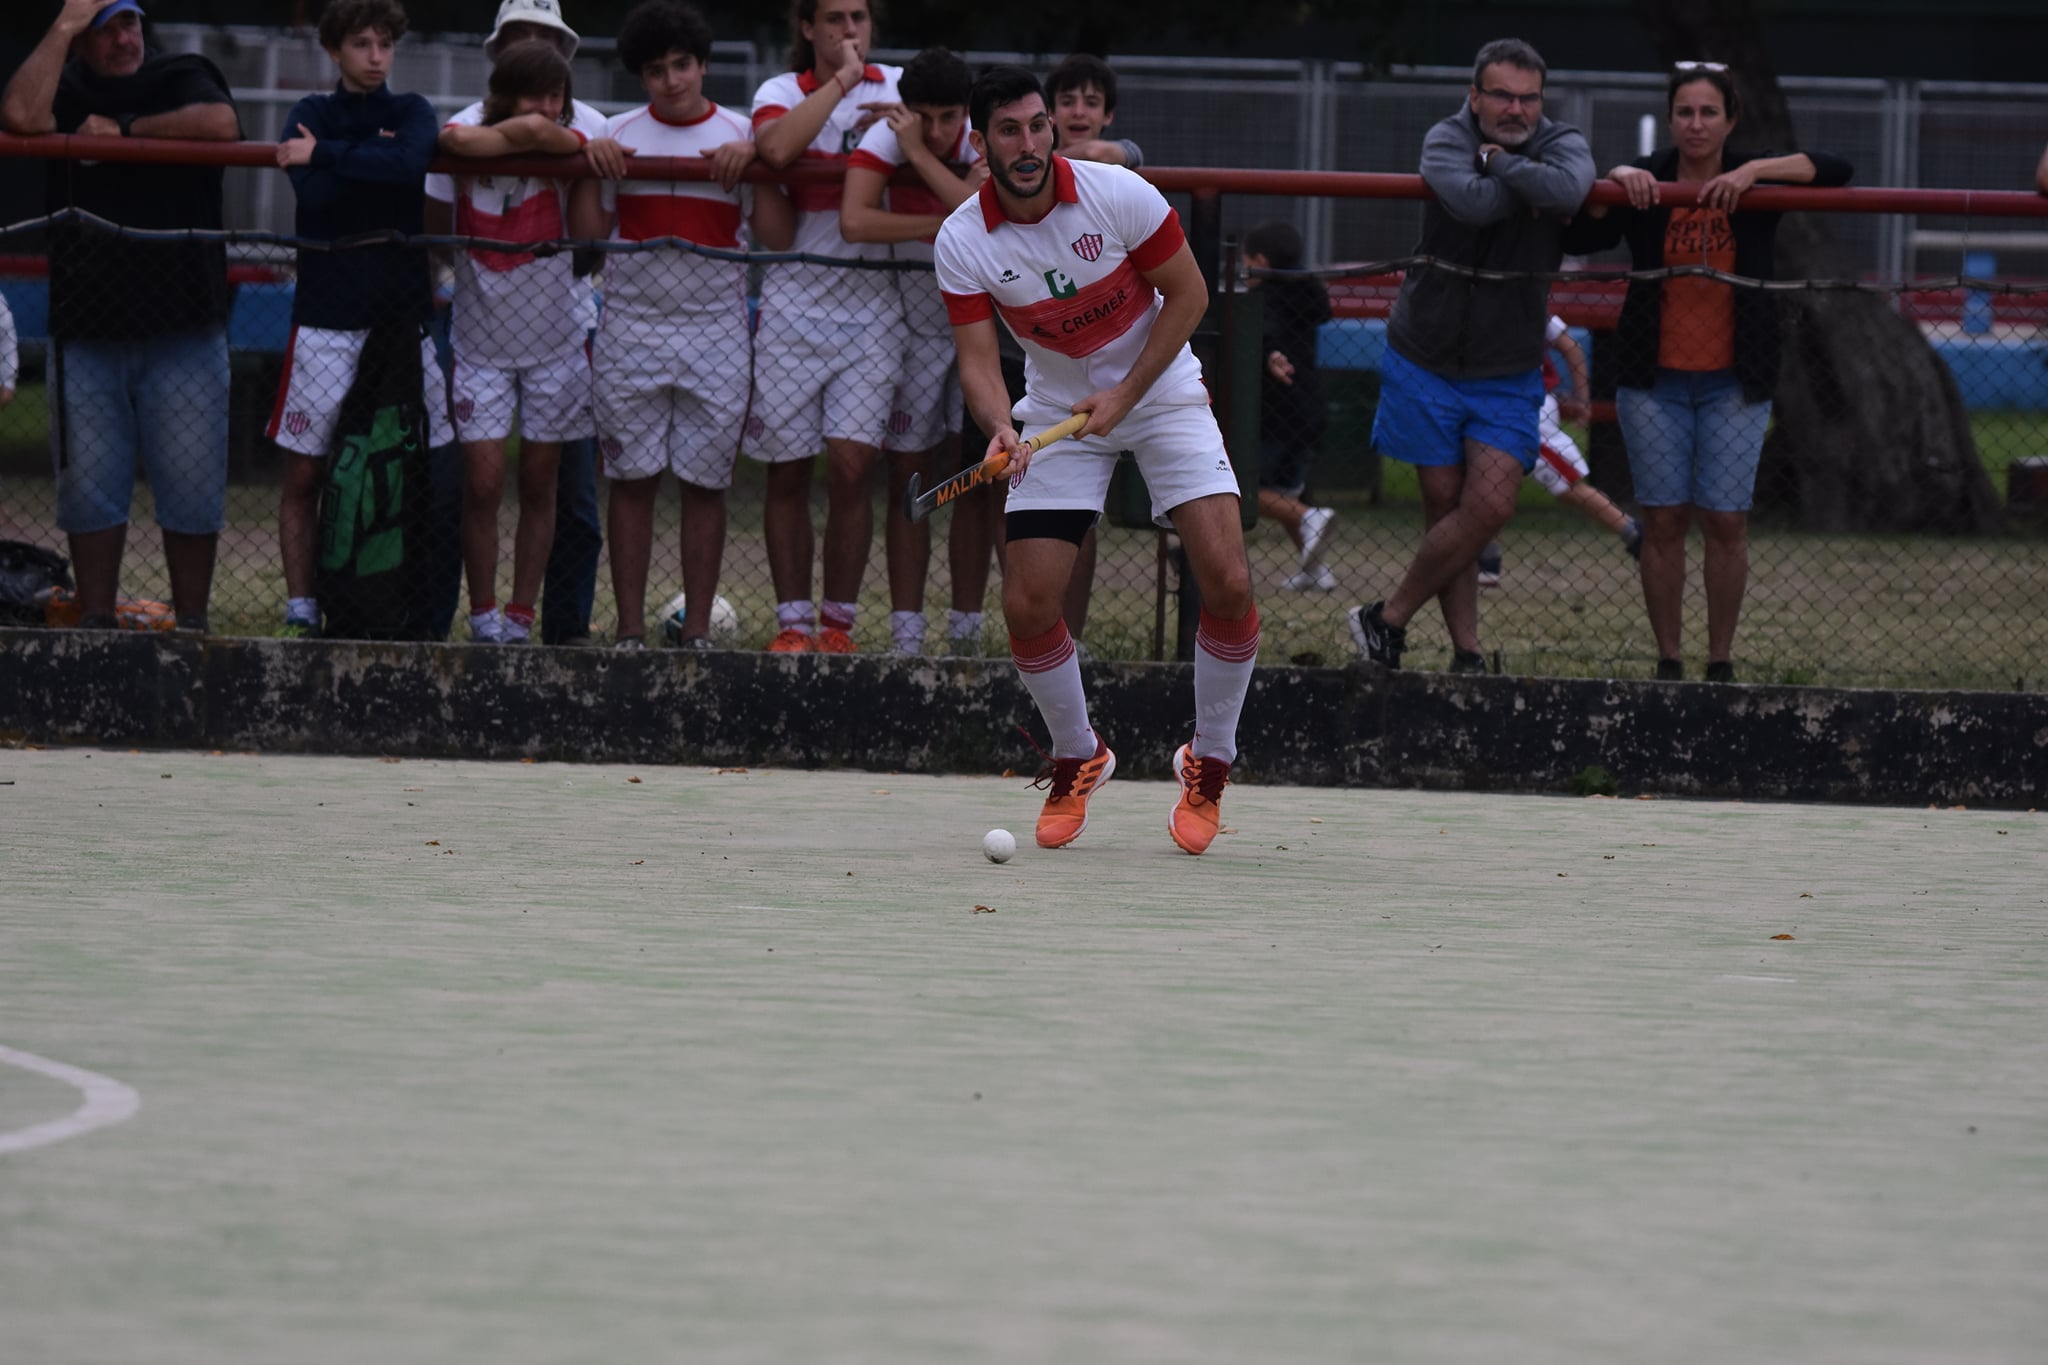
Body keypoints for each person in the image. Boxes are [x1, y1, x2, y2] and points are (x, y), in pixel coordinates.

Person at [935, 66, 1258, 857]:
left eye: (1038, 125)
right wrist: (997, 427)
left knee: (1229, 579)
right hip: (1053, 414)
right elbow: (979, 360)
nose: (1029, 143)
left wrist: (1127, 391)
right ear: (981, 144)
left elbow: (1188, 297)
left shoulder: (1119, 194)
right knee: (1029, 602)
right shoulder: (962, 239)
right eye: (1008, 131)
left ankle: (1209, 762)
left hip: (1163, 389)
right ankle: (1079, 753)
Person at [1565, 62, 1851, 682]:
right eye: (1686, 112)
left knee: (1725, 518)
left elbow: (1835, 166)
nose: (1696, 124)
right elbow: (1579, 225)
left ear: (1731, 119)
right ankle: (1669, 660)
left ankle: (1719, 661)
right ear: (1670, 118)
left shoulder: (1756, 178)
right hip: (1653, 379)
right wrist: (1616, 177)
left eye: (1709, 112)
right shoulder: (1648, 179)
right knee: (1664, 519)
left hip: (1734, 379)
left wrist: (1753, 172)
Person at [1343, 37, 1593, 673]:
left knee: (1489, 507)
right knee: (1446, 507)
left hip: (1509, 363)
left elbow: (1569, 191)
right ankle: (1468, 653)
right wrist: (1523, 181)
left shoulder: (1562, 140)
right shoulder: (1444, 138)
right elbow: (1474, 205)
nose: (1516, 109)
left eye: (1528, 98)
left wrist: (1500, 162)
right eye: (1502, 96)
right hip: (1424, 351)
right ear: (1475, 95)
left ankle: (1386, 617)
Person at [1, 0, 240, 633]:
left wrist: (128, 131)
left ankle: (192, 627)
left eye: (129, 23)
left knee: (192, 487)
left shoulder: (182, 72)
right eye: (104, 30)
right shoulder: (67, 85)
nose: (123, 39)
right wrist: (59, 28)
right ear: (81, 41)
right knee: (88, 491)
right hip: (87, 331)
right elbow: (21, 116)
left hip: (184, 325)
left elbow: (223, 124)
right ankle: (96, 626)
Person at [568, 0, 792, 649]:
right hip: (630, 326)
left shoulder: (741, 132)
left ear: (702, 65)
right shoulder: (617, 133)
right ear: (643, 76)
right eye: (658, 69)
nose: (673, 80)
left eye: (683, 65)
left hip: (717, 329)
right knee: (631, 481)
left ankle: (697, 631)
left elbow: (776, 236)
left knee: (705, 483)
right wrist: (589, 163)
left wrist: (758, 166)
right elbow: (585, 240)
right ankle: (631, 630)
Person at [429, 0, 628, 647]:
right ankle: (480, 615)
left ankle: (535, 618)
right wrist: (547, 137)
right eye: (523, 39)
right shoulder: (467, 124)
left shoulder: (594, 122)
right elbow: (455, 151)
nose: (538, 48)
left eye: (550, 41)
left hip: (561, 336)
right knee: (479, 482)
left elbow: (595, 240)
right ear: (499, 58)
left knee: (555, 486)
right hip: (479, 336)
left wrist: (550, 138)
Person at [267, 0, 455, 638]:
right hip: (324, 320)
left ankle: (418, 609)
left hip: (404, 321)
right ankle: (302, 607)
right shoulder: (310, 113)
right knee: (306, 469)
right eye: (361, 45)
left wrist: (326, 156)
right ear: (335, 51)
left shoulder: (410, 112)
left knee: (425, 460)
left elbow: (408, 167)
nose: (376, 57)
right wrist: (348, 162)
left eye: (384, 45)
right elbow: (317, 198)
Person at [747, 0, 903, 653]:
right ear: (806, 27)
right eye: (835, 18)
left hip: (872, 306)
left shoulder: (897, 85)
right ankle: (791, 623)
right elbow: (777, 147)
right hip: (793, 302)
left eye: (860, 17)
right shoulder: (781, 90)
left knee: (851, 466)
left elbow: (956, 143)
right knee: (787, 469)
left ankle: (837, 625)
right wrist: (842, 80)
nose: (850, 31)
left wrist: (908, 126)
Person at [840, 46, 984, 655]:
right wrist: (933, 225)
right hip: (919, 334)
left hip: (983, 327)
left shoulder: (982, 141)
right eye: (921, 116)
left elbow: (975, 207)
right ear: (906, 109)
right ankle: (906, 632)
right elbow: (854, 221)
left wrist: (922, 156)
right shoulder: (884, 140)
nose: (936, 129)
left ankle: (966, 631)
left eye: (949, 115)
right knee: (910, 477)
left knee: (981, 479)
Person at [1042, 53, 1147, 650]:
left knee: (1078, 515)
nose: (1078, 112)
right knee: (1014, 503)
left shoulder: (1121, 172)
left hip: (1108, 369)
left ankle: (1069, 638)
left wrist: (1120, 153)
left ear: (1107, 114)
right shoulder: (1015, 169)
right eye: (1066, 101)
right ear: (1046, 112)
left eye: (1091, 101)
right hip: (1033, 355)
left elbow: (1123, 155)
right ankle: (1009, 628)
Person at [1473, 314, 1642, 590]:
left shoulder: (1527, 298)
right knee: (1486, 480)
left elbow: (1571, 347)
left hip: (1528, 406)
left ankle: (1634, 533)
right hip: (1486, 403)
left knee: (1565, 484)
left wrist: (1582, 399)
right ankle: (1485, 557)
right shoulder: (1469, 300)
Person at [1240, 221, 1338, 593]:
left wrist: (1268, 355)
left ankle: (1310, 517)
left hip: (1275, 410)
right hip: (1309, 407)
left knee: (1248, 489)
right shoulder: (1307, 294)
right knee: (1287, 491)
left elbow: (1265, 334)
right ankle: (1316, 571)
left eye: (1246, 261)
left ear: (1261, 261)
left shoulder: (1266, 299)